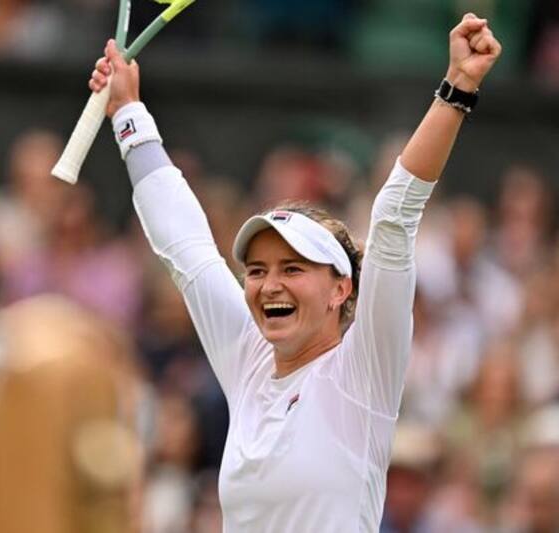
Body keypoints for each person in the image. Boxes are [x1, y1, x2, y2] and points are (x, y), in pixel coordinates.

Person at [87, 12, 502, 532]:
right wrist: (128, 112)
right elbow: (185, 245)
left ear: (340, 289)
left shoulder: (363, 373)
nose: (269, 284)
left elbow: (394, 217)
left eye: (292, 268)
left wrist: (459, 86)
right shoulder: (248, 358)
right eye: (256, 270)